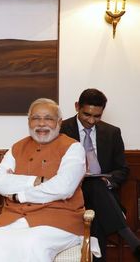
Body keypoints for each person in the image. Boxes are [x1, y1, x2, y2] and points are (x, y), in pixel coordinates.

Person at [0, 98, 100, 261]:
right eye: (36, 118)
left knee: (32, 242)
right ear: (29, 121)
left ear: (59, 122)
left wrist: (19, 195)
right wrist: (36, 181)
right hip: (14, 216)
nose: (42, 124)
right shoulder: (16, 147)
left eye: (48, 118)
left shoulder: (73, 148)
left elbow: (63, 188)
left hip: (59, 219)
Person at [60, 88, 139, 261]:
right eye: (87, 114)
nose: (91, 120)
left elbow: (122, 169)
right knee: (93, 191)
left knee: (96, 196)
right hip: (72, 192)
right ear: (76, 107)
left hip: (103, 192)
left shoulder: (112, 132)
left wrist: (108, 181)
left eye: (97, 116)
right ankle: (130, 238)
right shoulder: (61, 129)